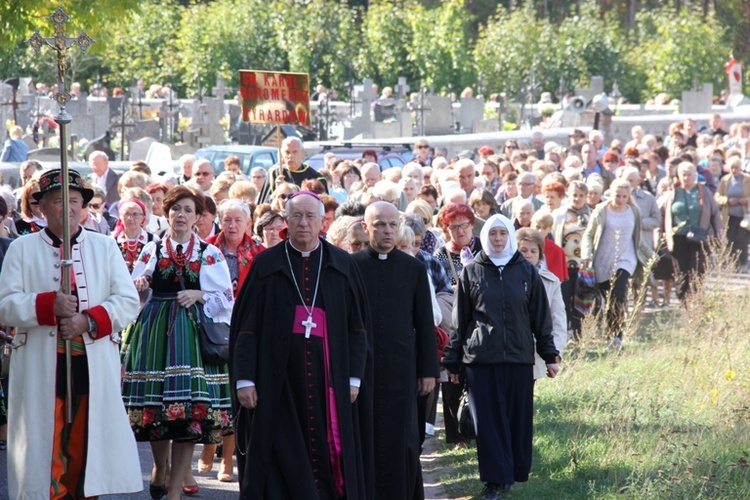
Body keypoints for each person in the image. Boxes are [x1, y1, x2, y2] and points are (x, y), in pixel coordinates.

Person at [0, 168, 142, 499]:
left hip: (89, 365)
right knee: (44, 444)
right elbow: (5, 305)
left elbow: (126, 302)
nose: (69, 207)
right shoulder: (22, 250)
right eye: (59, 201)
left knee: (84, 444)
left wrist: (87, 321)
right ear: (42, 208)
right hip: (40, 367)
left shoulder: (105, 247)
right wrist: (49, 306)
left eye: (75, 200)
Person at [230, 191, 371, 499]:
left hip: (328, 382)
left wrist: (354, 377)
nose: (304, 223)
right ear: (286, 221)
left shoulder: (341, 264)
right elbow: (246, 328)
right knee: (277, 451)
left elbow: (357, 327)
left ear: (322, 222)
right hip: (276, 381)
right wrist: (244, 378)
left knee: (329, 450)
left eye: (310, 217)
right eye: (297, 216)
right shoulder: (265, 264)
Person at [121, 186, 235, 500]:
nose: (180, 215)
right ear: (167, 213)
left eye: (187, 210)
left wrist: (200, 294)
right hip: (155, 330)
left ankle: (173, 491)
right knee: (157, 406)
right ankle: (160, 466)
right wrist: (141, 285)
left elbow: (227, 298)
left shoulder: (209, 253)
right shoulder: (152, 249)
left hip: (192, 334)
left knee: (190, 413)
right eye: (175, 209)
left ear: (198, 217)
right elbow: (133, 293)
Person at [443, 214, 559, 500]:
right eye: (492, 233)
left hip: (519, 358)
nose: (497, 238)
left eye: (502, 233)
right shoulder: (472, 271)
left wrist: (549, 354)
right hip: (481, 359)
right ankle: (493, 481)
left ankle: (513, 472)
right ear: (485, 237)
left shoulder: (526, 271)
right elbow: (461, 319)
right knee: (489, 422)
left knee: (517, 419)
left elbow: (540, 317)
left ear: (509, 236)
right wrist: (453, 360)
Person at [352, 201, 438, 499]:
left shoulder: (413, 267)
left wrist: (428, 370)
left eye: (391, 224)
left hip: (403, 368)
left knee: (403, 439)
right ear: (366, 227)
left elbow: (425, 324)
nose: (387, 231)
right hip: (362, 368)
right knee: (366, 436)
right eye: (379, 224)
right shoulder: (352, 266)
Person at [581, 179, 652, 346]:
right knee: (608, 298)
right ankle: (608, 333)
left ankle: (616, 336)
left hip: (625, 260)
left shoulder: (634, 211)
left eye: (624, 196)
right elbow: (589, 235)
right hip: (603, 260)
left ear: (628, 196)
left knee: (619, 296)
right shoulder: (601, 210)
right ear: (610, 194)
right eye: (617, 196)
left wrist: (651, 255)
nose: (620, 199)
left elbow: (638, 238)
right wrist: (587, 254)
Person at [662, 162, 723, 303]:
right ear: (678, 176)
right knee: (682, 273)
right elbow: (661, 214)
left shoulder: (703, 191)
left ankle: (695, 303)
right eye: (683, 174)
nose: (686, 177)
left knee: (697, 270)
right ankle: (684, 302)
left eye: (689, 174)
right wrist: (660, 238)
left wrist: (719, 237)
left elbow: (715, 214)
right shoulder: (672, 192)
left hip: (699, 237)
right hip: (678, 238)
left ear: (695, 175)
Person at [515, 228, 567, 380]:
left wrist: (554, 352)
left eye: (533, 251)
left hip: (536, 351)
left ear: (540, 255)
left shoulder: (551, 282)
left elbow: (558, 318)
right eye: (523, 250)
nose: (528, 255)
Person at [551, 181, 592, 340]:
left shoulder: (592, 214)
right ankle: (565, 331)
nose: (577, 198)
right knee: (563, 297)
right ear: (569, 194)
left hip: (583, 264)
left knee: (581, 298)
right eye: (575, 195)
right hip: (564, 264)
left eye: (581, 195)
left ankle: (578, 332)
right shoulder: (560, 214)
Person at [715, 156, 750, 270]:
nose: (734, 170)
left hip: (743, 215)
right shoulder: (725, 180)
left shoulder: (747, 179)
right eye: (732, 167)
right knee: (729, 240)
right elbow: (718, 196)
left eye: (736, 167)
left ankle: (743, 262)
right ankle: (731, 263)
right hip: (729, 214)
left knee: (742, 239)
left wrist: (745, 200)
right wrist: (727, 201)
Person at [262, 137, 322, 202]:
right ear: (282, 154)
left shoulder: (315, 177)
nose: (290, 156)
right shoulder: (274, 174)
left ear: (302, 153)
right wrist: (277, 192)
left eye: (295, 152)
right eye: (287, 152)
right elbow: (264, 207)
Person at [114, 198, 158, 272]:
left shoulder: (153, 240)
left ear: (142, 218)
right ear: (120, 217)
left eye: (135, 214)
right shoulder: (113, 240)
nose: (130, 218)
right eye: (126, 214)